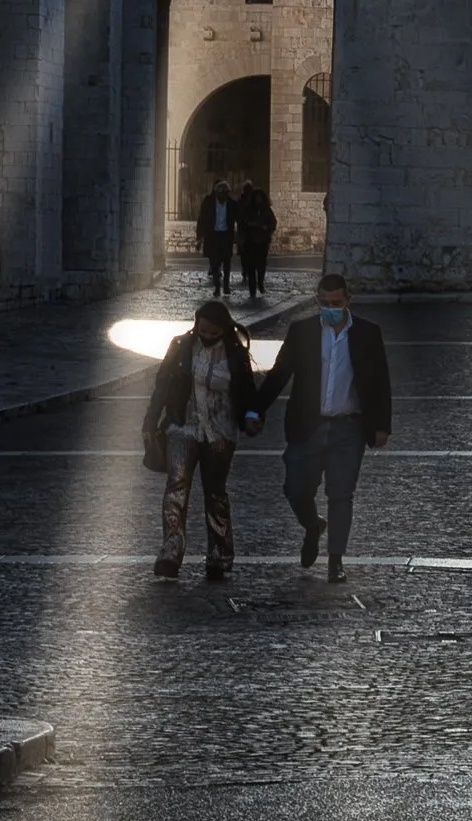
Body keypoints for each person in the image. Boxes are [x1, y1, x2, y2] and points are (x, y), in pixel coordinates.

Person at [252, 271, 389, 582]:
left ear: (348, 301)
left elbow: (380, 380)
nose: (330, 308)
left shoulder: (368, 333)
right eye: (325, 303)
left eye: (336, 302)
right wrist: (254, 409)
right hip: (307, 425)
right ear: (318, 301)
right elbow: (279, 373)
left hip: (348, 427)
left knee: (342, 494)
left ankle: (335, 561)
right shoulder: (303, 332)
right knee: (296, 488)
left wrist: (381, 425)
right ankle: (313, 525)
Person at [141, 299, 262, 583]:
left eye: (212, 333)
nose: (206, 337)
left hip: (220, 430)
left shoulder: (235, 354)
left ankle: (219, 556)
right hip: (183, 427)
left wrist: (252, 415)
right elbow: (162, 385)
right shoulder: (181, 346)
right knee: (176, 487)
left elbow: (247, 391)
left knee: (216, 492)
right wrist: (151, 420)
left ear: (223, 329)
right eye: (202, 331)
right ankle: (171, 552)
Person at [232, 178, 278, 303]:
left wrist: (265, 228)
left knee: (261, 265)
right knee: (251, 267)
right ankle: (252, 290)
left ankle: (261, 284)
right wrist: (250, 227)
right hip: (250, 242)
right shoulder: (248, 210)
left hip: (262, 242)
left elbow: (273, 223)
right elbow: (243, 222)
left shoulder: (267, 211)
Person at [191, 179, 232, 293]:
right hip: (213, 236)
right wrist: (199, 237)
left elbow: (239, 217)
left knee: (227, 261)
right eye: (220, 191)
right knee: (214, 262)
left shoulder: (231, 204)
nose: (222, 194)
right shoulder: (208, 202)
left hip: (226, 236)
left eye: (225, 192)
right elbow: (202, 220)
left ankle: (226, 285)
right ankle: (217, 286)